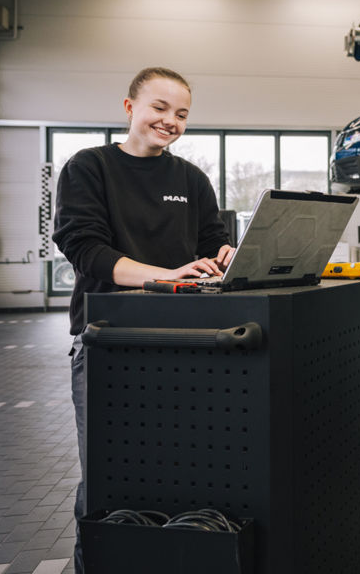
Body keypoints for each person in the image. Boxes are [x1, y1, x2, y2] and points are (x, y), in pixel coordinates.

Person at [52, 66, 235, 574]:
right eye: (159, 108)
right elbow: (86, 250)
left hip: (184, 342)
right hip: (107, 342)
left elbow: (207, 244)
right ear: (130, 107)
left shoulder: (190, 179)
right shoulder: (88, 168)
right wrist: (166, 275)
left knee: (180, 468)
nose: (170, 121)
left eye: (181, 114)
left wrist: (221, 256)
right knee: (107, 477)